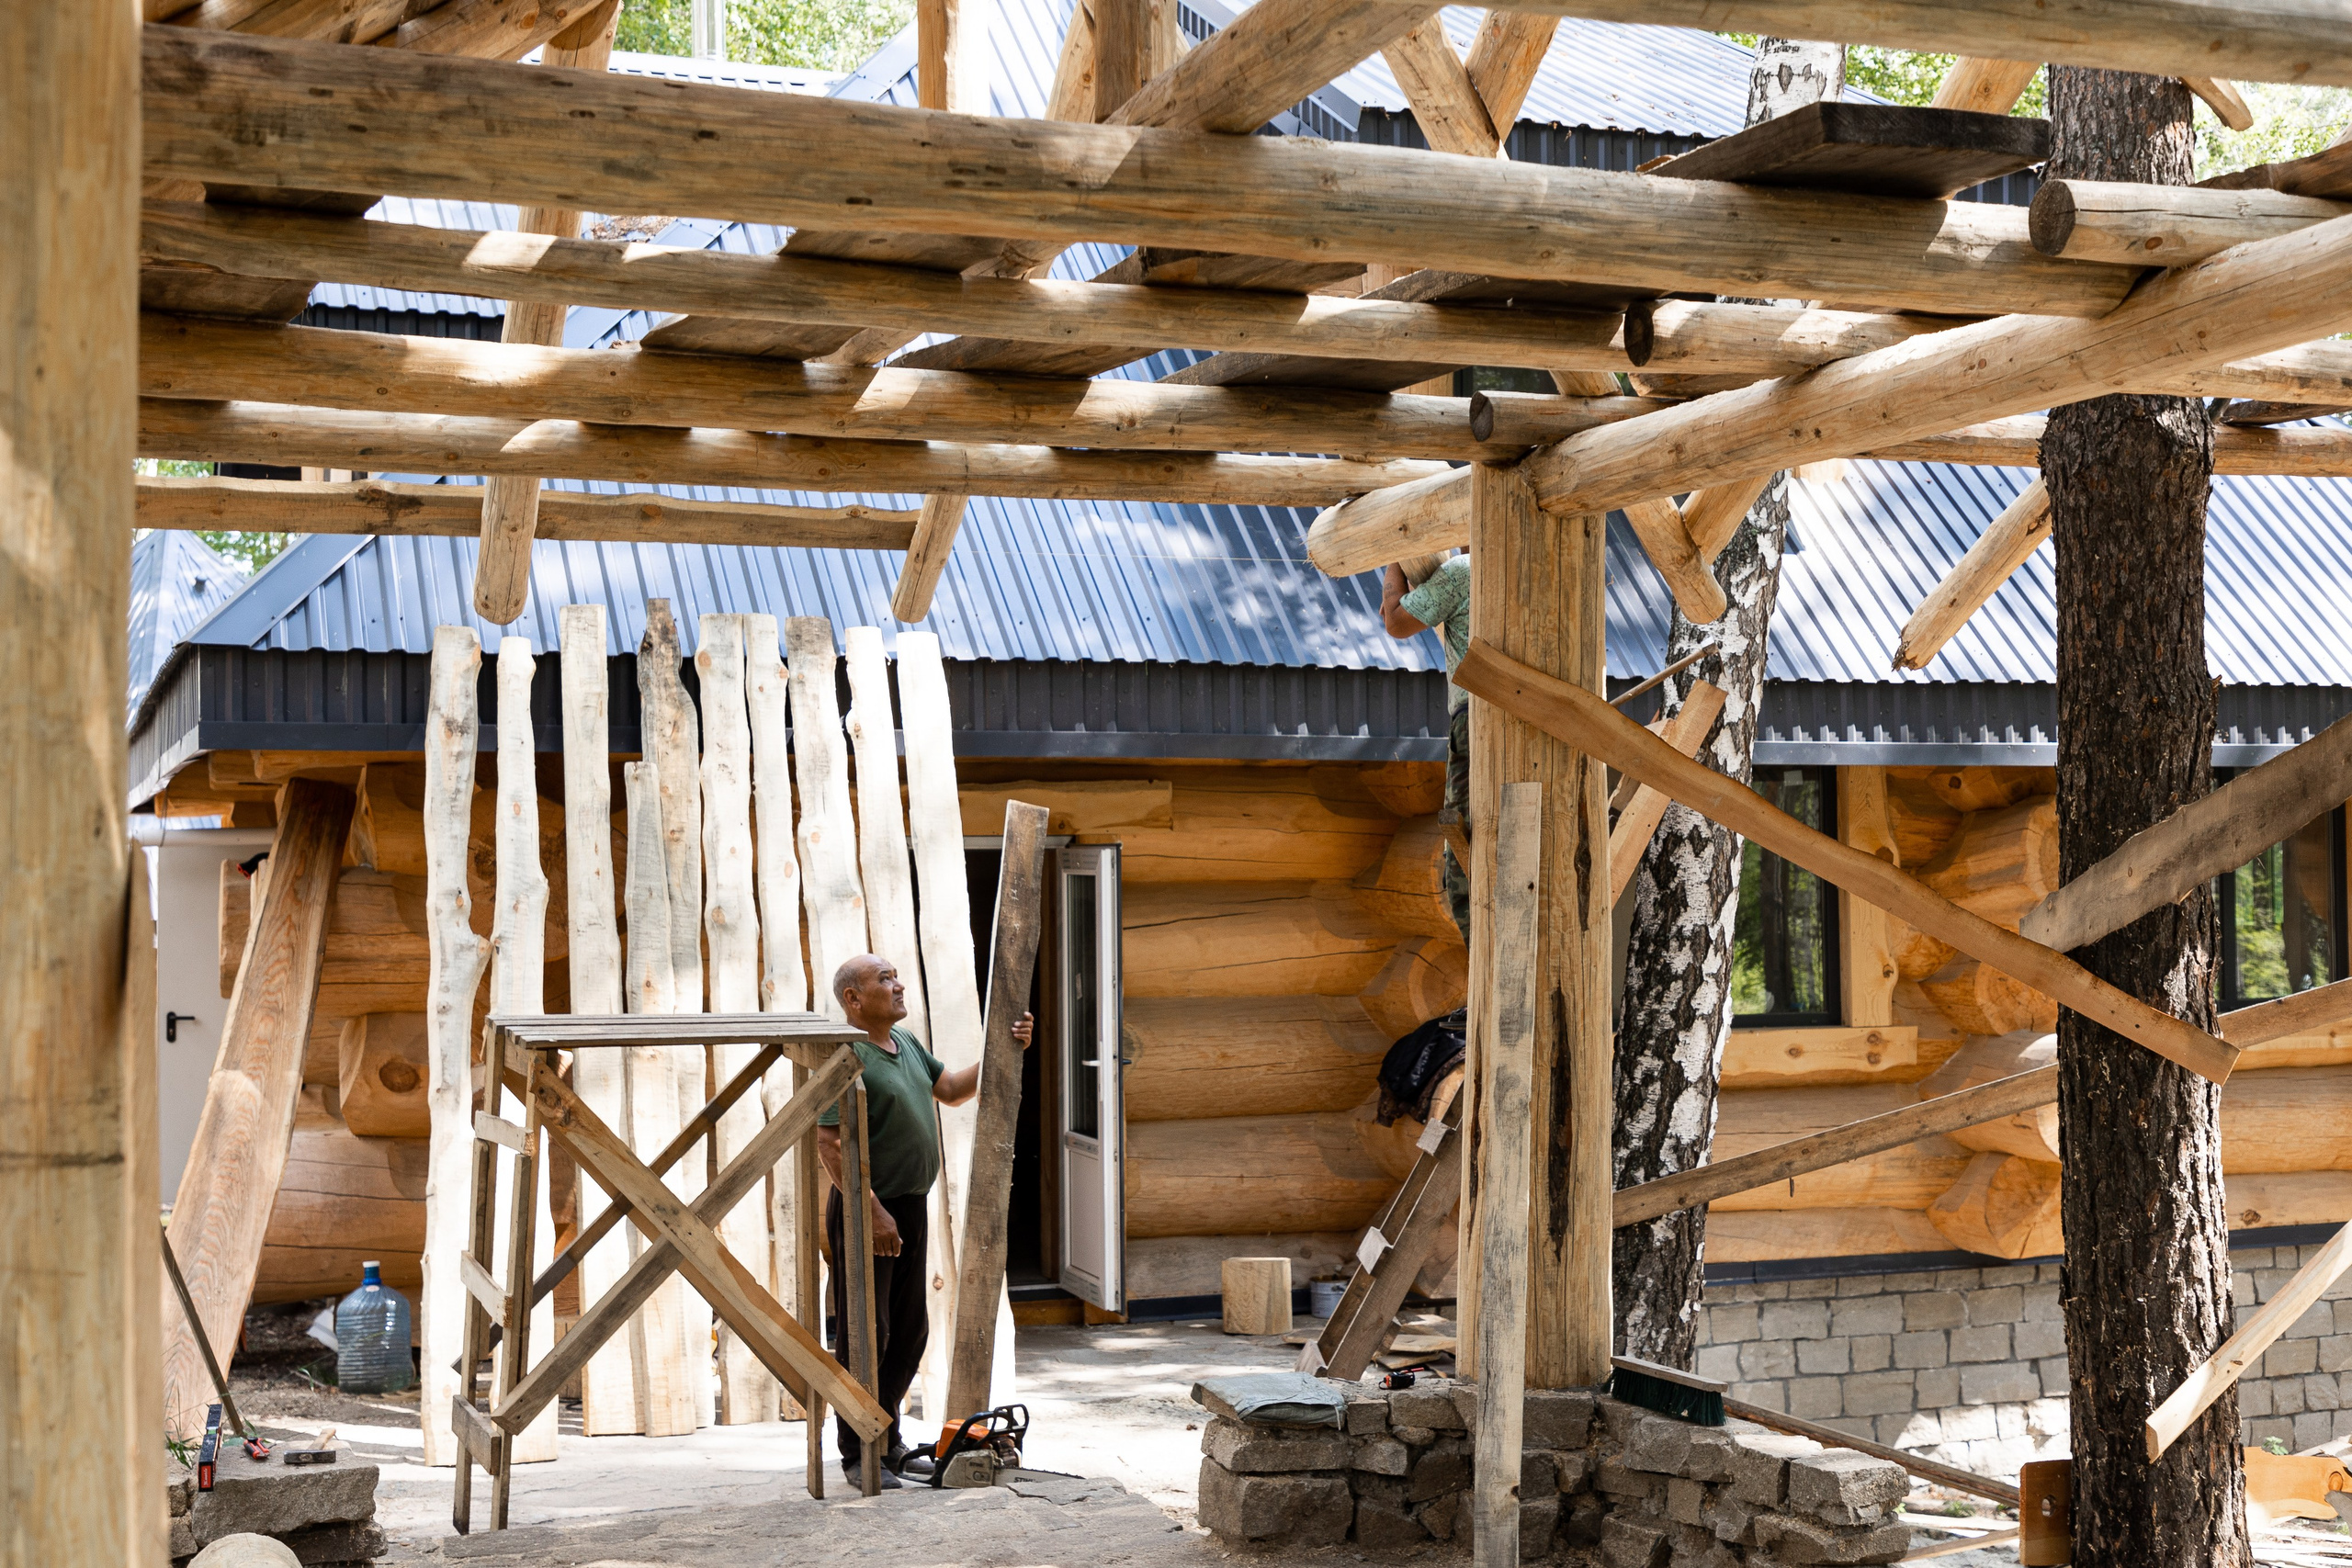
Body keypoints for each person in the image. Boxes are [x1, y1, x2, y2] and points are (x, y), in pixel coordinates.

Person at [814, 953, 1032, 1488]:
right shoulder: (845, 1055)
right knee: (868, 1334)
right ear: (853, 999)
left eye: (895, 975)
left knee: (910, 1332)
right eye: (884, 979)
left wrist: (1006, 1047)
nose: (898, 984)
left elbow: (954, 1091)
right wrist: (873, 1212)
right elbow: (828, 1142)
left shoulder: (904, 1045)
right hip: (870, 1209)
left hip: (906, 1207)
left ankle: (885, 1441)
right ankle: (855, 1454)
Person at [1382, 553, 1471, 946]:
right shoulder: (1543, 564)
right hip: (1541, 716)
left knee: (1467, 851)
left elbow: (1395, 621)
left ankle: (1482, 977)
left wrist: (1393, 557)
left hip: (1476, 716)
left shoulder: (1464, 570)